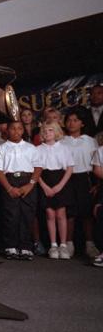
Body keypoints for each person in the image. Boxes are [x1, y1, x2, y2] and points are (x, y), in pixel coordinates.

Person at [0, 121, 42, 260]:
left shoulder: (30, 148)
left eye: (19, 128)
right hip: (10, 181)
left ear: (23, 131)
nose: (16, 131)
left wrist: (30, 185)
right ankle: (11, 246)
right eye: (13, 128)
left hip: (28, 181)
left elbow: (38, 167)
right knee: (11, 215)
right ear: (7, 130)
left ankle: (26, 247)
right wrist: (9, 188)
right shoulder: (2, 148)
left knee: (27, 215)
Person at [61, 108, 99, 259]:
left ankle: (89, 244)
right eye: (69, 120)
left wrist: (97, 184)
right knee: (69, 213)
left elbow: (96, 163)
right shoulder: (62, 141)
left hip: (85, 178)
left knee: (87, 213)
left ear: (82, 123)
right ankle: (68, 244)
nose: (71, 123)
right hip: (67, 179)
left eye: (75, 120)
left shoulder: (90, 141)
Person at [36, 122, 74, 259]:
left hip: (60, 181)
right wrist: (44, 187)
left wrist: (60, 186)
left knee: (61, 214)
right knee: (50, 214)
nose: (47, 133)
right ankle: (53, 245)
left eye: (51, 130)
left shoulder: (64, 148)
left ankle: (63, 245)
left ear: (57, 132)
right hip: (45, 180)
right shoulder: (38, 149)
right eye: (45, 131)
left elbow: (69, 168)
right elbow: (36, 171)